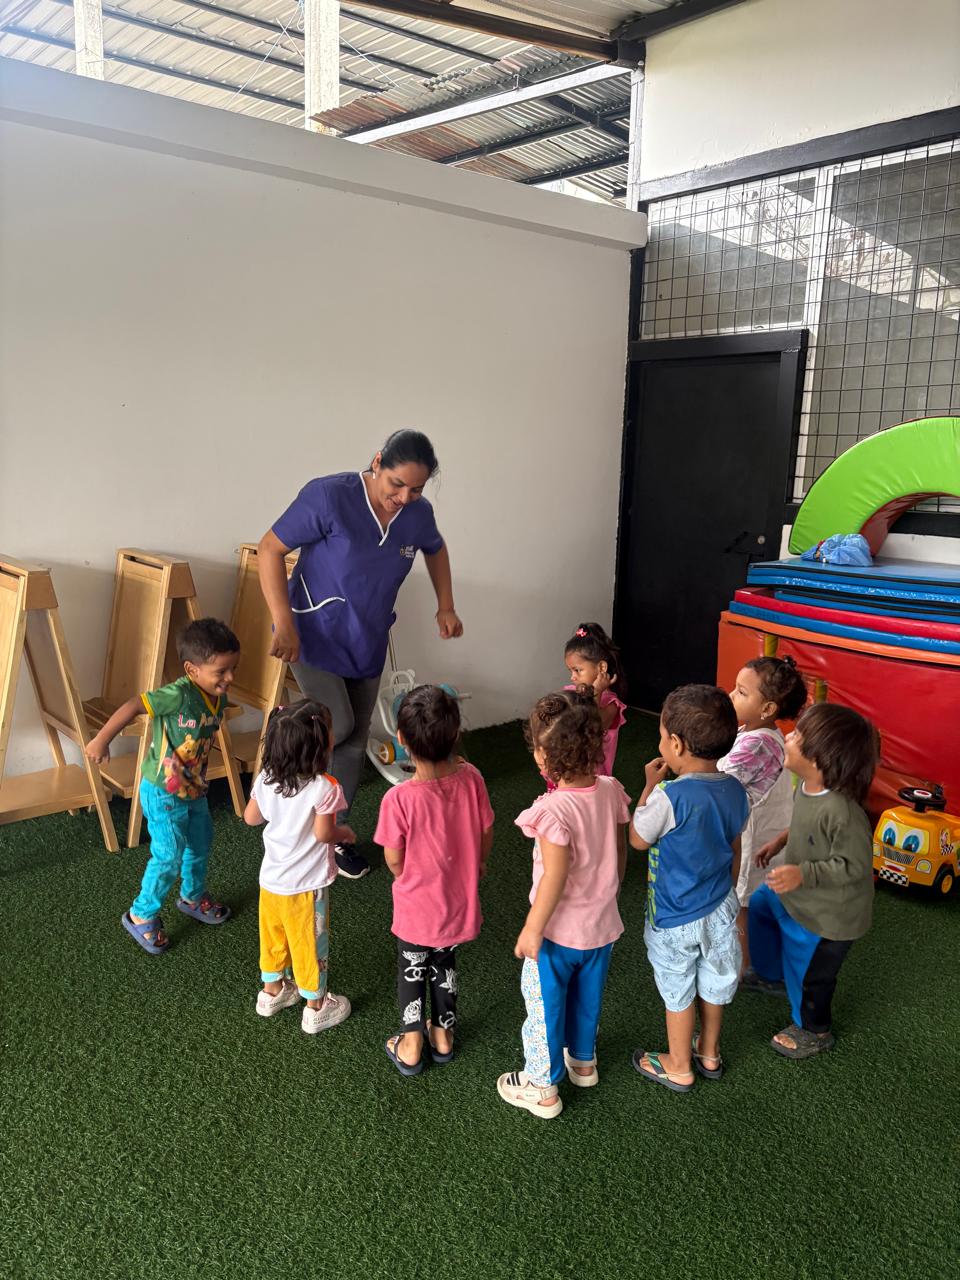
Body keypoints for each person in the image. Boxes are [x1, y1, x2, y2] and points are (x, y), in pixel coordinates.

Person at [258, 430, 463, 880]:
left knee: (353, 740)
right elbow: (269, 548)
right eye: (396, 484)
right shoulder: (329, 496)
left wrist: (445, 605)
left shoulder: (417, 515)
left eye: (416, 489)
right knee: (340, 724)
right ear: (376, 462)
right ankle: (279, 790)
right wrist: (283, 621)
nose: (404, 497)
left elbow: (435, 548)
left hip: (366, 638)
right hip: (311, 633)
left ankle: (334, 833)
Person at [497, 691, 630, 1120]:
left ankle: (541, 1087)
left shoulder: (553, 811)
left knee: (545, 1007)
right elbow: (620, 851)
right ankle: (583, 1063)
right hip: (601, 929)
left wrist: (532, 928)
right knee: (587, 998)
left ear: (542, 756)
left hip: (557, 935)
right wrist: (611, 891)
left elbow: (554, 875)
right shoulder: (610, 791)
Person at [86, 618, 240, 955]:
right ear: (192, 669)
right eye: (221, 671)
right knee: (169, 854)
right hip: (162, 792)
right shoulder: (178, 694)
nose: (229, 678)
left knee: (200, 843)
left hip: (195, 789)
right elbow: (133, 705)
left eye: (233, 669)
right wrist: (101, 739)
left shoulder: (217, 696)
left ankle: (192, 897)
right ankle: (141, 914)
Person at [629, 685, 749, 1092]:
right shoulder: (735, 789)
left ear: (676, 745)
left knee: (678, 988)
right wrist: (727, 894)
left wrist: (649, 786)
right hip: (721, 907)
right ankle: (709, 1052)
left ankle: (679, 1065)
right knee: (715, 979)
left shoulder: (669, 796)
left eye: (663, 736)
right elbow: (735, 845)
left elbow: (638, 839)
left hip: (674, 916)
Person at [746, 703, 878, 1060]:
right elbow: (804, 824)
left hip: (830, 917)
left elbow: (854, 865)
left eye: (799, 736)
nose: (788, 736)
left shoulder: (843, 812)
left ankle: (814, 1031)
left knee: (811, 977)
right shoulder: (806, 786)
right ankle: (771, 975)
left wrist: (803, 872)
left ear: (819, 759)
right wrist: (781, 841)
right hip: (798, 894)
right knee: (760, 905)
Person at [374, 685, 494, 1076]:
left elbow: (394, 858)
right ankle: (443, 1036)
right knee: (445, 962)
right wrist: (478, 864)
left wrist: (404, 875)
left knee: (412, 967)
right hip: (458, 901)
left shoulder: (398, 799)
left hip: (416, 905)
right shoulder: (473, 778)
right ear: (456, 733)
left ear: (402, 739)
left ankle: (411, 1045)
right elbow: (486, 831)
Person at [243, 700, 354, 1034]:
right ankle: (316, 1007)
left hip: (271, 882)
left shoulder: (267, 778)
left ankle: (272, 992)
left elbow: (251, 818)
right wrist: (344, 833)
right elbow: (323, 834)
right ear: (322, 744)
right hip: (306, 887)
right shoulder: (326, 787)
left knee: (273, 937)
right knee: (309, 944)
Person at [718, 656, 808, 970]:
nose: (731, 695)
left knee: (742, 901)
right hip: (758, 833)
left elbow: (720, 781)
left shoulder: (758, 744)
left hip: (754, 839)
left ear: (767, 708)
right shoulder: (753, 731)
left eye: (741, 692)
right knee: (748, 899)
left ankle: (744, 966)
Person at [563, 622, 627, 779]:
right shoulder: (570, 692)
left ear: (601, 668)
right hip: (568, 766)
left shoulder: (612, 704)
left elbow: (592, 723)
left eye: (577, 670)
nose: (572, 677)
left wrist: (596, 691)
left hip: (592, 775)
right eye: (570, 671)